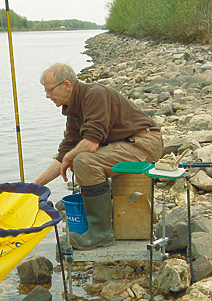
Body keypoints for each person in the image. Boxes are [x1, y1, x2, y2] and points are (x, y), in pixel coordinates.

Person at [33, 63, 163, 250]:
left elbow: (91, 144)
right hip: (123, 144)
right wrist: (34, 187)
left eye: (50, 90)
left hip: (143, 142)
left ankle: (101, 234)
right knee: (80, 158)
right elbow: (62, 157)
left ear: (67, 85)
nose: (47, 96)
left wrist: (71, 156)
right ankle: (99, 225)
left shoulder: (95, 94)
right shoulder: (74, 113)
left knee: (85, 161)